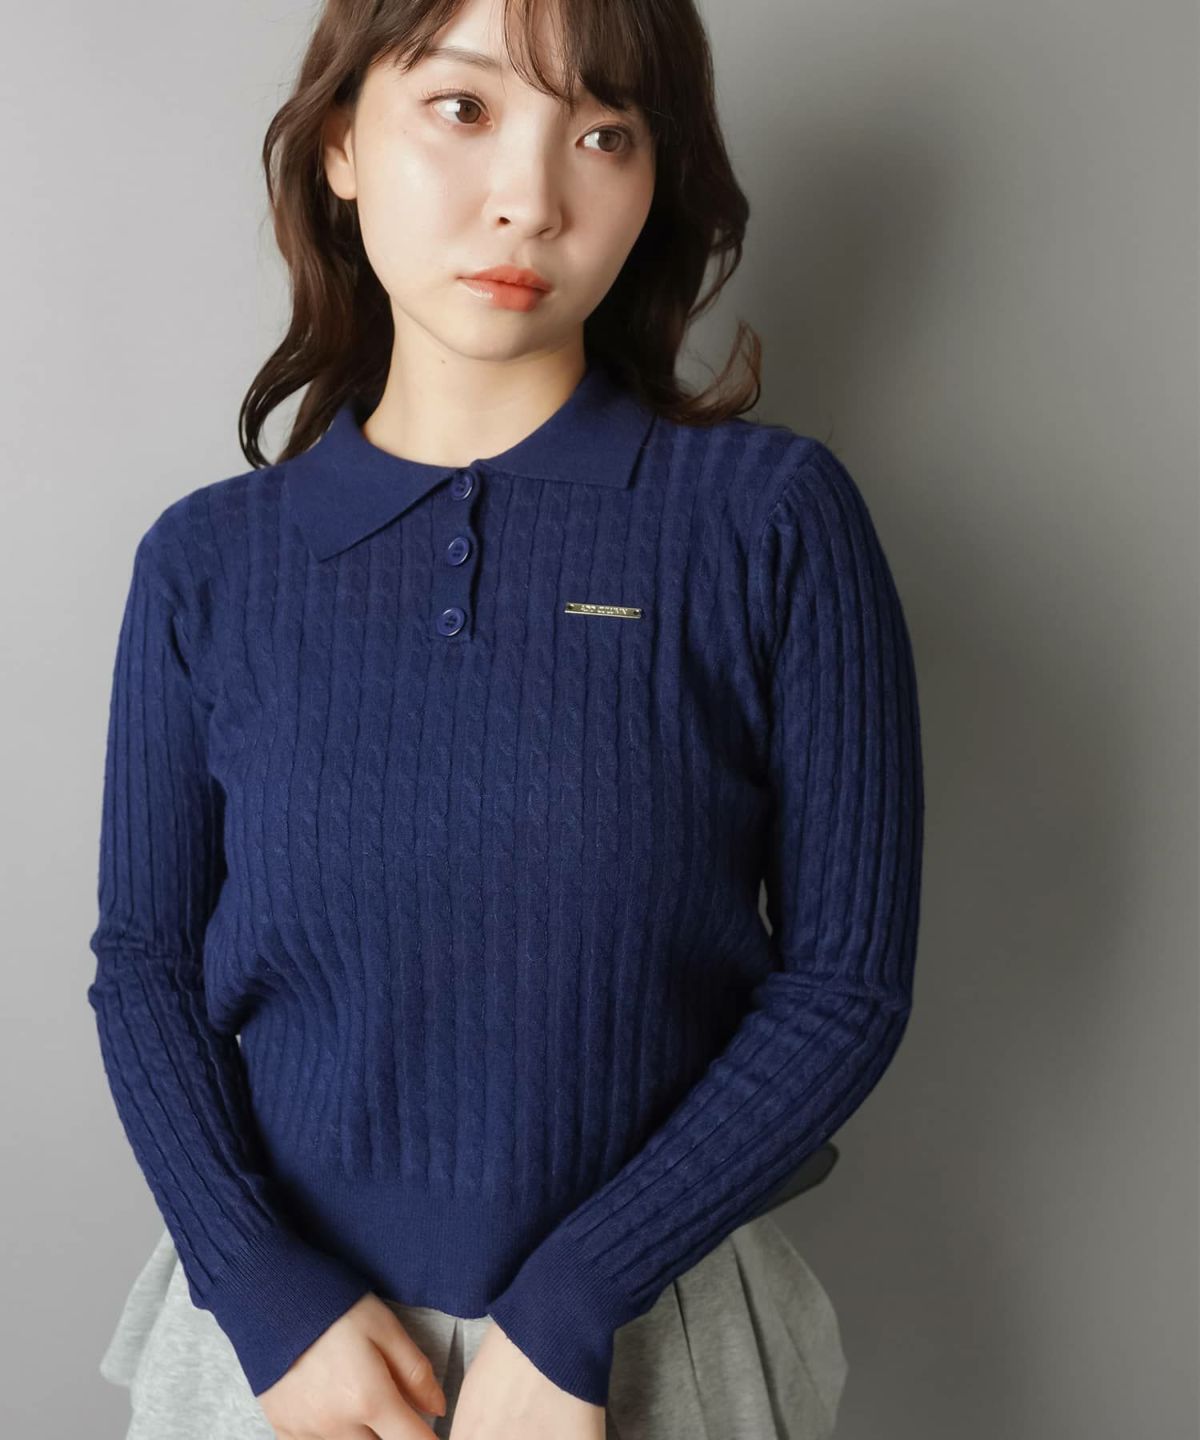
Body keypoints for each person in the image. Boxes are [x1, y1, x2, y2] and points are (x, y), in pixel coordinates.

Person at [86, 0, 925, 1435]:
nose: (531, 198)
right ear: (340, 144)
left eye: (604, 134)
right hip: (280, 1357)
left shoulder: (770, 523)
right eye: (463, 109)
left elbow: (845, 984)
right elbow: (146, 967)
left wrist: (576, 1304)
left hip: (648, 1340)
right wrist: (267, 1302)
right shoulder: (207, 562)